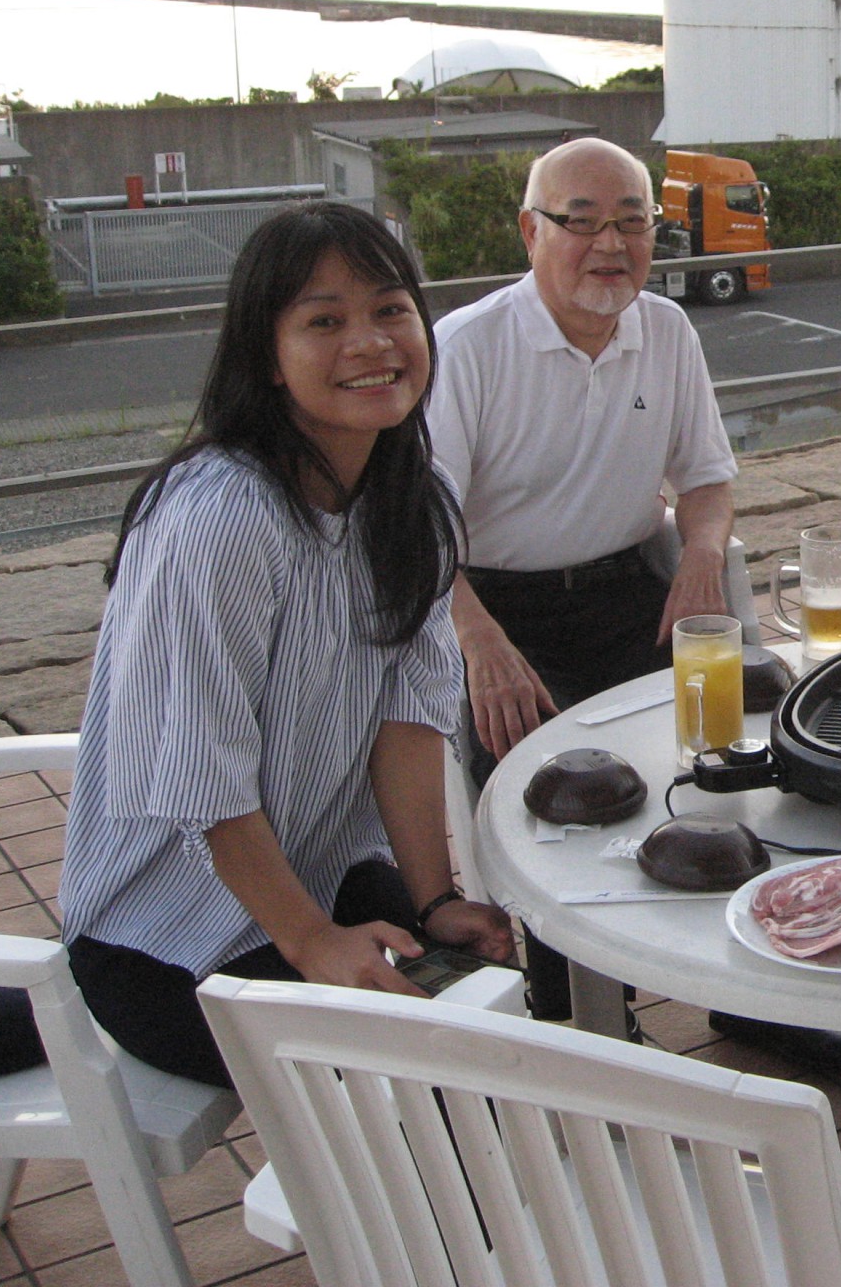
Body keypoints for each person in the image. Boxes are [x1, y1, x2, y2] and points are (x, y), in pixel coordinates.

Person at [428, 137, 841, 1073]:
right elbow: (414, 532)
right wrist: (478, 640)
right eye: (581, 221)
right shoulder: (467, 348)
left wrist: (700, 556)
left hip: (635, 589)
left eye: (633, 222)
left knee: (733, 769)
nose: (611, 244)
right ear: (530, 232)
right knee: (557, 816)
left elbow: (705, 480)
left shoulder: (665, 330)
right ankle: (585, 1021)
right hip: (499, 611)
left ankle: (751, 993)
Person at [59, 201, 515, 1090]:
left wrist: (435, 899)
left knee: (494, 1007)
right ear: (267, 357)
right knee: (421, 1076)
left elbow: (408, 720)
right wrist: (311, 944)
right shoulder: (221, 520)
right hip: (162, 936)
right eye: (324, 321)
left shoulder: (411, 499)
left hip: (321, 870)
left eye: (390, 309)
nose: (371, 342)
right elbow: (202, 777)